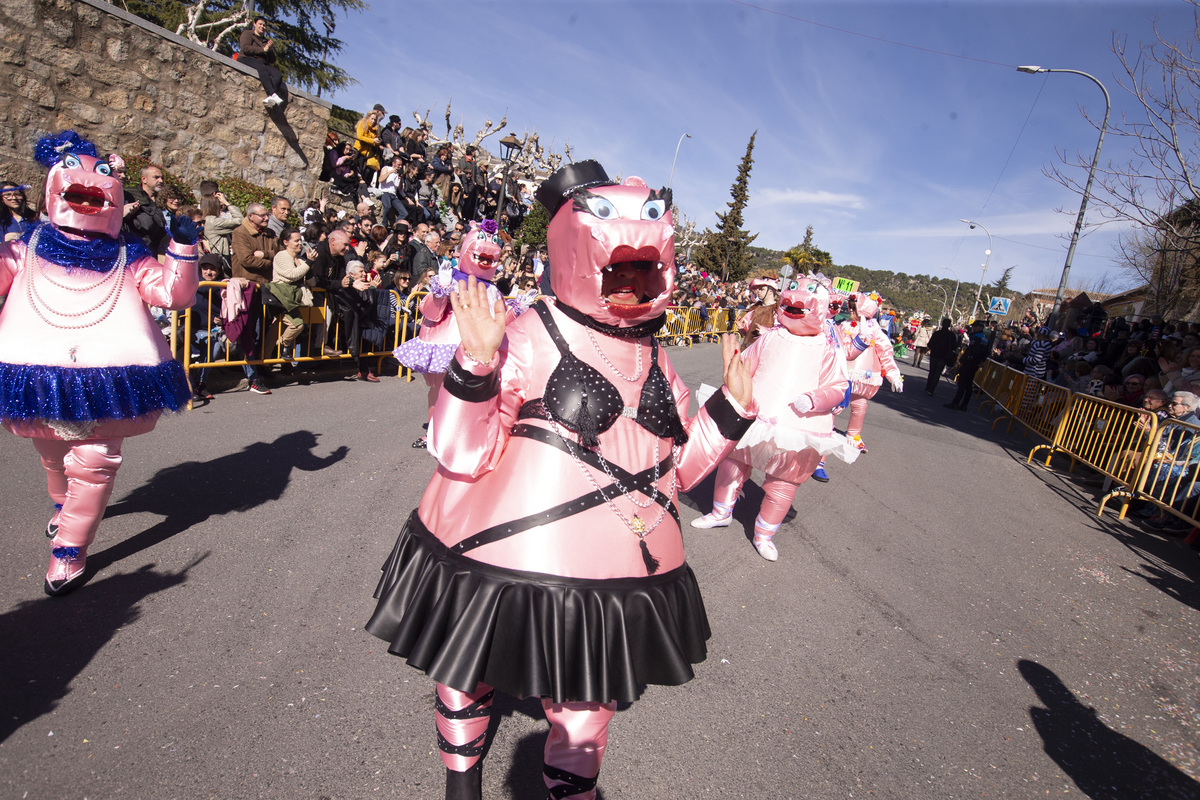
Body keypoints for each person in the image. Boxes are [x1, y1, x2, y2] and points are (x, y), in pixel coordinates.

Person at [366, 161, 755, 800]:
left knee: (586, 713)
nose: (633, 281)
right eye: (619, 267)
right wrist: (475, 364)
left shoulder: (658, 357)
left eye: (645, 268)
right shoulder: (529, 334)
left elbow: (675, 475)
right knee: (470, 672)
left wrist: (728, 414)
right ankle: (461, 786)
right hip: (501, 555)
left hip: (621, 577)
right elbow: (461, 452)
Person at [0, 131, 199, 596]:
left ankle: (70, 549)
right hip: (34, 373)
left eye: (104, 174)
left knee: (94, 462)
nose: (92, 182)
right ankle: (61, 505)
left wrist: (183, 249)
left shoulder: (131, 256)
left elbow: (174, 295)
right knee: (51, 451)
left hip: (110, 376)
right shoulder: (22, 247)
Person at [693, 280, 855, 561]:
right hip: (756, 416)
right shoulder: (770, 336)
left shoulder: (827, 347)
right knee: (732, 464)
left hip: (799, 426)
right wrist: (732, 374)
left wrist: (816, 399)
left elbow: (838, 386)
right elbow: (745, 365)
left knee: (783, 482)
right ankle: (720, 512)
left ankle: (764, 535)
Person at [838, 292, 902, 452]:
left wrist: (893, 375)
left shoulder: (875, 330)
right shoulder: (842, 325)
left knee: (859, 405)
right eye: (850, 307)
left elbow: (886, 353)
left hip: (863, 376)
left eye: (854, 308)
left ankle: (853, 435)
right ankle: (823, 429)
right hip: (841, 372)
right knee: (833, 402)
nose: (851, 311)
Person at [266, 228, 311, 361]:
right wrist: (308, 263)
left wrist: (310, 263)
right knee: (297, 324)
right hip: (281, 296)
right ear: (285, 242)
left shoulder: (300, 260)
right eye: (296, 241)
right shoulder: (281, 256)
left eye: (300, 241)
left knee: (275, 330)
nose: (299, 244)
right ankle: (282, 345)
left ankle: (265, 361)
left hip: (291, 299)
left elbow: (311, 281)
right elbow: (291, 275)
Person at [238, 16, 287, 108]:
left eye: (264, 25)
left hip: (263, 63)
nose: (262, 27)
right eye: (260, 24)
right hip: (247, 58)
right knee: (262, 69)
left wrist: (270, 49)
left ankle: (270, 97)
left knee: (278, 75)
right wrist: (263, 49)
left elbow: (272, 60)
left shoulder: (266, 41)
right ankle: (272, 93)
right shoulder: (248, 34)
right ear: (254, 24)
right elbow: (245, 48)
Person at [945, 321, 989, 411]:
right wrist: (980, 361)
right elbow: (985, 352)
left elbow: (974, 350)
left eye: (975, 327)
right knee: (968, 385)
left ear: (980, 327)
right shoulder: (985, 338)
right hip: (975, 363)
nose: (973, 328)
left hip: (970, 362)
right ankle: (964, 405)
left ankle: (956, 402)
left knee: (962, 384)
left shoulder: (977, 337)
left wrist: (967, 358)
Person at [123, 164, 167, 252]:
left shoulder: (162, 198)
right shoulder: (130, 195)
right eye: (156, 177)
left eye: (161, 178)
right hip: (135, 250)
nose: (161, 181)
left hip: (155, 250)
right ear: (144, 179)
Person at [925, 317, 959, 396]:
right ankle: (931, 389)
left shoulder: (937, 333)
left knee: (932, 371)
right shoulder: (951, 335)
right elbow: (954, 346)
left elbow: (930, 344)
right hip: (944, 356)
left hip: (935, 354)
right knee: (937, 373)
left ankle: (928, 386)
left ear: (942, 324)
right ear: (949, 325)